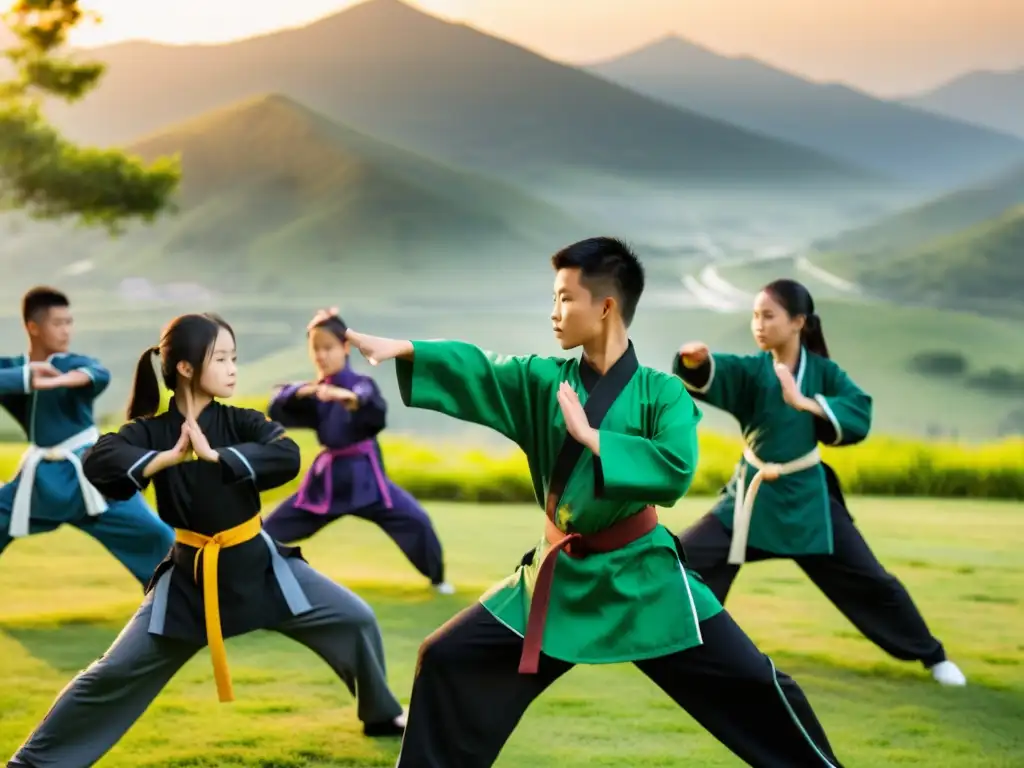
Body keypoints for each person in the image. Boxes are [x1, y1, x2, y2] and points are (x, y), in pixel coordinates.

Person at [343, 238, 845, 767]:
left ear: (605, 307)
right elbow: (484, 368)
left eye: (564, 298)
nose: (554, 313)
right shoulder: (543, 382)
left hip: (645, 580)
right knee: (446, 658)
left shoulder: (663, 393)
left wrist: (593, 437)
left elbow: (674, 469)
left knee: (755, 685)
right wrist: (404, 350)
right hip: (557, 582)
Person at [7, 312, 406, 768]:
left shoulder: (242, 422)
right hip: (188, 586)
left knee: (354, 619)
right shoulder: (151, 431)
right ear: (185, 367)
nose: (234, 368)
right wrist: (167, 459)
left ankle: (381, 715)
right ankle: (31, 765)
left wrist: (217, 456)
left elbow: (285, 454)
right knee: (110, 675)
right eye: (222, 358)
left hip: (263, 569)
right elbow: (102, 460)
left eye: (234, 357)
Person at [672, 278, 966, 688]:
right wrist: (694, 362)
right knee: (680, 561)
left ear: (798, 322)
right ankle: (670, 644)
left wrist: (805, 402)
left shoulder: (824, 373)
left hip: (808, 502)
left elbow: (859, 410)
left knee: (870, 581)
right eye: (755, 315)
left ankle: (934, 658)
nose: (758, 324)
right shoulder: (753, 369)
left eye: (768, 316)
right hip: (751, 497)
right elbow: (714, 374)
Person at [262, 309, 453, 594]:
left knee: (416, 522)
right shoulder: (316, 392)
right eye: (315, 350)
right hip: (326, 484)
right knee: (268, 532)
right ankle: (251, 574)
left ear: (345, 348)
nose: (321, 356)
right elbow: (277, 404)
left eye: (328, 348)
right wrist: (305, 392)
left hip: (367, 481)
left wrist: (350, 400)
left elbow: (370, 404)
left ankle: (437, 579)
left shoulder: (360, 385)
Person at [0, 286, 173, 586]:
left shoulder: (75, 363)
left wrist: (58, 381)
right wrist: (30, 377)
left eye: (70, 322)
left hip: (94, 472)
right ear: (33, 327)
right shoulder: (15, 370)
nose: (67, 330)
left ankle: (188, 605)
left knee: (157, 536)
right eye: (58, 323)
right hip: (40, 481)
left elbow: (97, 374)